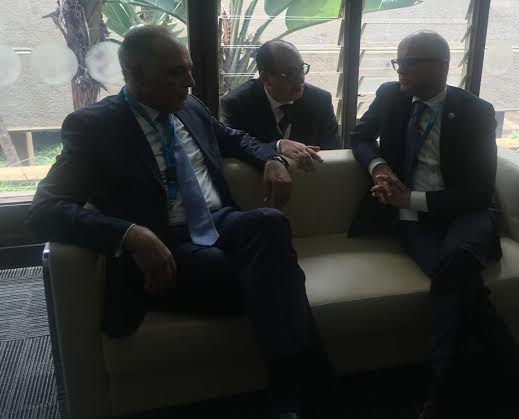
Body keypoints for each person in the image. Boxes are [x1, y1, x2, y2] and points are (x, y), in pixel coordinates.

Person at [27, 26, 331, 419]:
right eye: (176, 72)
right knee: (266, 274)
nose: (190, 81)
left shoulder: (190, 108)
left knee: (270, 223)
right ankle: (303, 388)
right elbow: (44, 211)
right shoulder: (94, 127)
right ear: (136, 75)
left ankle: (290, 390)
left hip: (219, 221)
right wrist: (130, 234)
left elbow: (235, 139)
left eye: (189, 69)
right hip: (166, 240)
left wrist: (272, 157)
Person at [348, 31, 519, 419]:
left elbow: (479, 192)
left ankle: (442, 392)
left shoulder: (475, 112)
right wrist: (378, 167)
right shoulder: (390, 95)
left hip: (466, 213)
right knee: (460, 279)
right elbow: (358, 136)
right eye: (398, 62)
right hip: (415, 222)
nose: (401, 70)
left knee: (454, 267)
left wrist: (409, 199)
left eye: (410, 63)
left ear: (442, 67)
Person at [221, 40, 341, 172]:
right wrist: (277, 146)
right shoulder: (238, 103)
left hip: (310, 178)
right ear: (265, 78)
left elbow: (335, 154)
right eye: (289, 73)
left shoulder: (320, 101)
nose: (300, 79)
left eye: (301, 69)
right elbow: (232, 150)